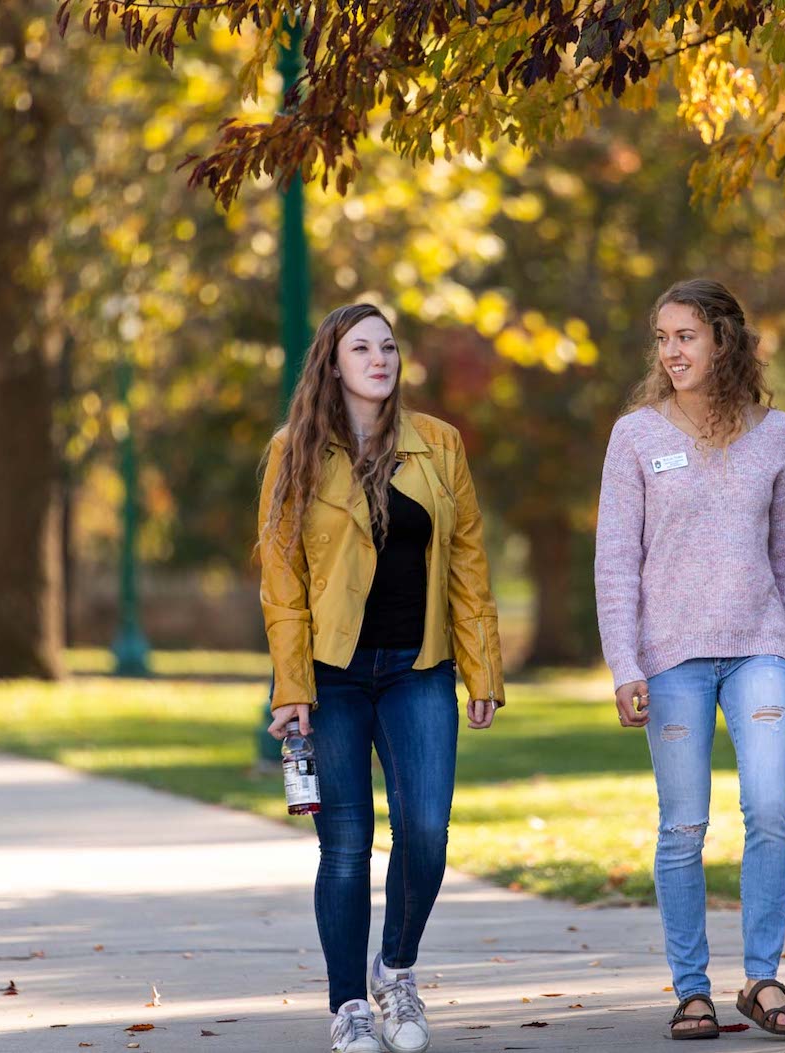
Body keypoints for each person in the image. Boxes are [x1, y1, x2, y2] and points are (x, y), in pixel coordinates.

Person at [258, 303, 506, 1053]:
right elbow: (281, 575)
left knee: (426, 834)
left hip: (418, 666)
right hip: (331, 676)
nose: (379, 358)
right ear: (332, 364)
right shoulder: (294, 449)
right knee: (346, 844)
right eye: (360, 347)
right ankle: (348, 1006)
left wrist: (480, 665)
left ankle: (394, 971)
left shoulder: (439, 444)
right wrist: (292, 684)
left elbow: (466, 560)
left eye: (388, 347)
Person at [594, 278, 785, 1040]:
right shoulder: (636, 437)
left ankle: (762, 977)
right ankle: (693, 990)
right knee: (683, 825)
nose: (671, 351)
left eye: (685, 336)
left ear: (723, 339)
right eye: (662, 339)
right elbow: (617, 564)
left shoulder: (776, 433)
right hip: (672, 661)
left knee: (770, 811)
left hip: (761, 649)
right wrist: (625, 665)